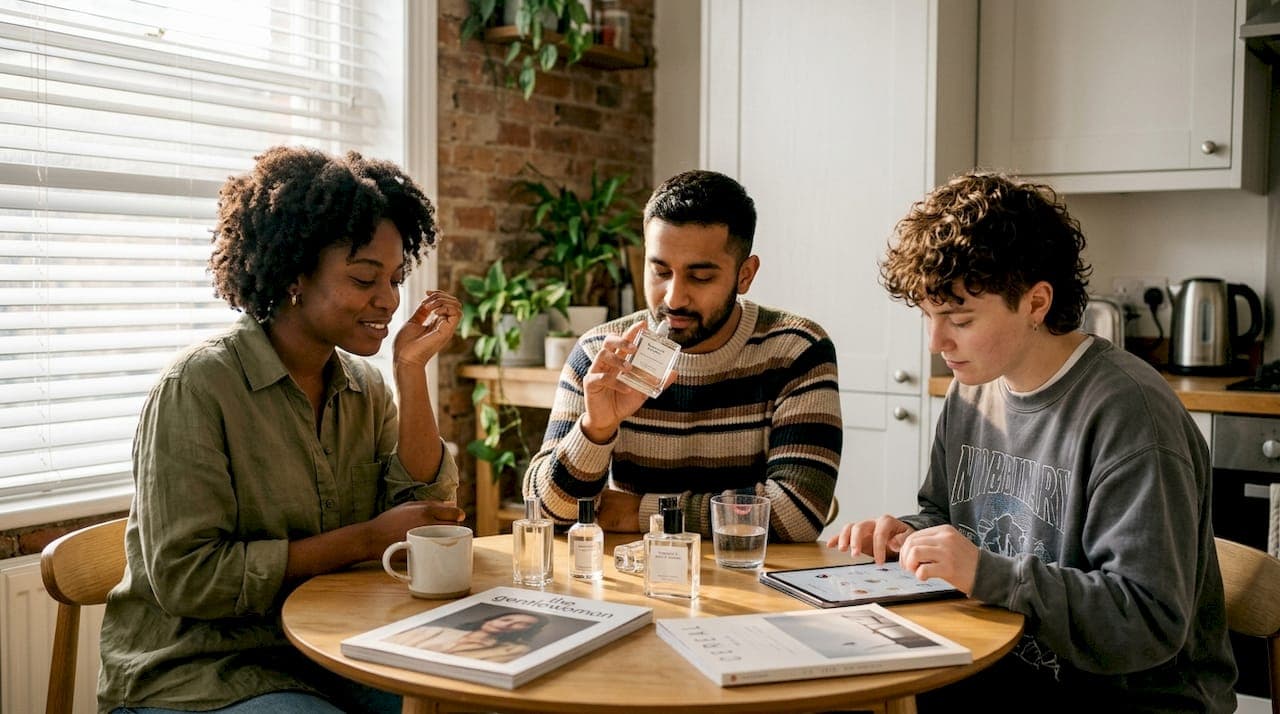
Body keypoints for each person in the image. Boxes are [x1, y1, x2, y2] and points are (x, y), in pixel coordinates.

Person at [827, 172, 1236, 711]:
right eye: (929, 317)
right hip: (997, 670)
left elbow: (1149, 621)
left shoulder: (1129, 416)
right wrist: (906, 536)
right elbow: (947, 516)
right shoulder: (973, 388)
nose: (936, 343)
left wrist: (985, 573)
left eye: (960, 319)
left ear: (1037, 302)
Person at [98, 146, 465, 714]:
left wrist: (410, 371)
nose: (389, 300)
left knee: (460, 701)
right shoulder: (197, 388)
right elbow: (188, 580)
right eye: (365, 277)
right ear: (295, 274)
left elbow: (421, 519)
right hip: (198, 670)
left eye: (395, 279)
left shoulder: (365, 388)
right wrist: (364, 540)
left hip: (328, 649)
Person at [524, 170, 841, 542]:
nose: (673, 298)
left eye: (701, 277)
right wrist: (596, 429)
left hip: (751, 583)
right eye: (660, 271)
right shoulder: (600, 352)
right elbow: (545, 512)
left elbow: (795, 514)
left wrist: (641, 511)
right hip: (637, 583)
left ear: (745, 275)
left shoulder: (796, 350)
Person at [384, 611, 551, 663]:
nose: (507, 624)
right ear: (491, 618)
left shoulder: (514, 650)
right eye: (506, 619)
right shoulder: (429, 630)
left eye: (520, 624)